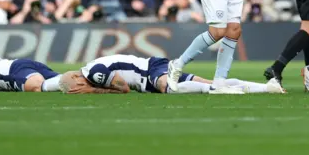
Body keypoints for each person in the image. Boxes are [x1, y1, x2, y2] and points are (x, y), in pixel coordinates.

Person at [59, 54, 284, 94]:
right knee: (211, 81)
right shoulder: (91, 69)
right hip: (150, 69)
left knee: (169, 88)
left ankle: (214, 91)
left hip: (149, 72)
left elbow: (123, 88)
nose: (77, 90)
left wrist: (94, 91)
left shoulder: (94, 73)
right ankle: (267, 87)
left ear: (77, 79)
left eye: (74, 88)